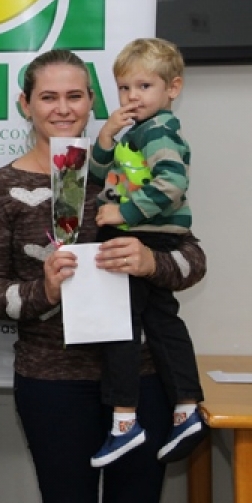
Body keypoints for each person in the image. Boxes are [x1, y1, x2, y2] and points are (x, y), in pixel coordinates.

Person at [0, 49, 207, 503]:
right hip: (54, 382)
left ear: (92, 101)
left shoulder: (126, 169)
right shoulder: (0, 188)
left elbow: (193, 259)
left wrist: (150, 262)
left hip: (142, 380)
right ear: (25, 104)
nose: (62, 108)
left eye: (74, 96)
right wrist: (45, 289)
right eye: (48, 97)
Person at [87, 37, 206, 467]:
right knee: (162, 324)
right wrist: (105, 135)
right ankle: (186, 407)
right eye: (124, 88)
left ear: (172, 88)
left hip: (146, 238)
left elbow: (172, 183)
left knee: (121, 328)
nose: (132, 97)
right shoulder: (137, 131)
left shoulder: (157, 131)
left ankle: (124, 420)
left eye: (143, 87)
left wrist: (124, 212)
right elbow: (99, 173)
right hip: (149, 236)